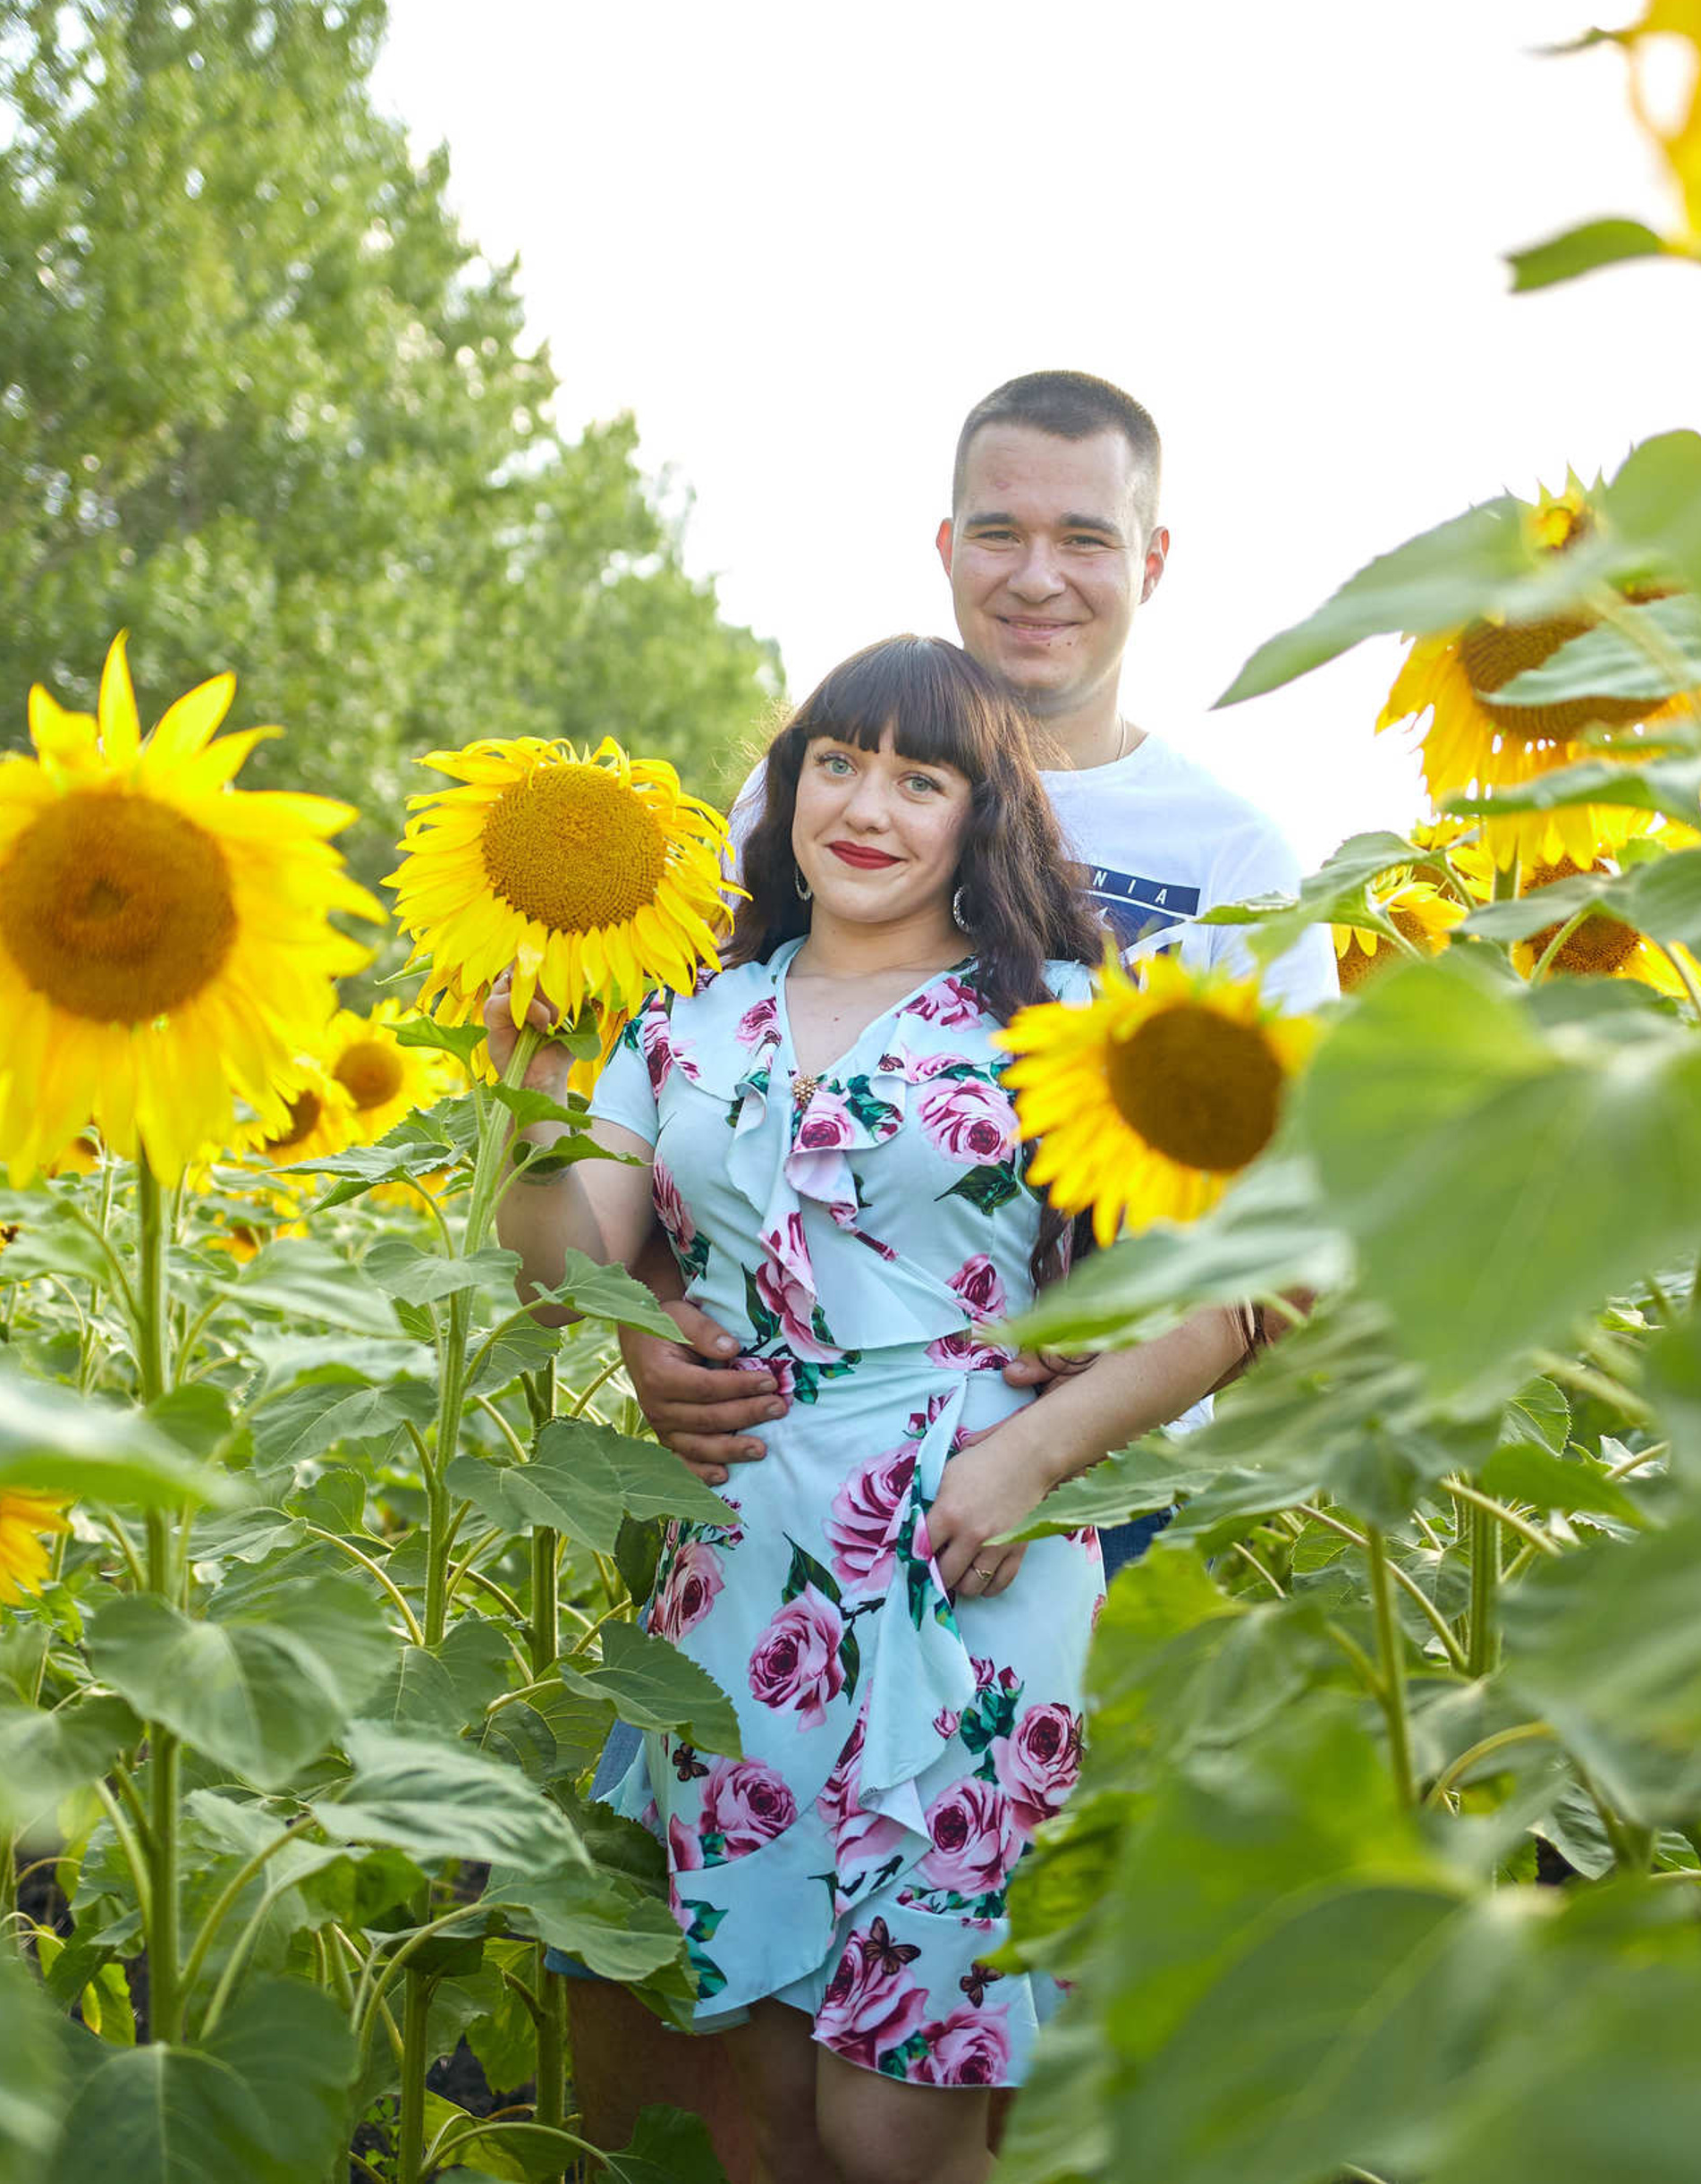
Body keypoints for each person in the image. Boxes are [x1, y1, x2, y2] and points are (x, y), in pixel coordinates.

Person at [563, 373, 1338, 2154]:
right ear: (943, 541)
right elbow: (705, 1112)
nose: (1035, 570)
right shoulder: (809, 777)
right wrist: (649, 1333)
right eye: (997, 526)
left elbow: (1274, 1245)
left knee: (960, 2049)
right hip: (766, 1496)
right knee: (729, 2017)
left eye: (1081, 533)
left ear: (1151, 558)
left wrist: (1055, 1413)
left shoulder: (1230, 859)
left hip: (1074, 1500)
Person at [489, 638, 1243, 2184]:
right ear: (791, 791)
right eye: (839, 763)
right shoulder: (687, 1024)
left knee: (901, 2125)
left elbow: (1217, 1311)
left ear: (984, 817)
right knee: (759, 2106)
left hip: (973, 1565)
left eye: (921, 777)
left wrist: (1033, 1456)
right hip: (745, 1570)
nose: (869, 807)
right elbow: (572, 1276)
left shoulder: (1071, 1021)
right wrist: (529, 1107)